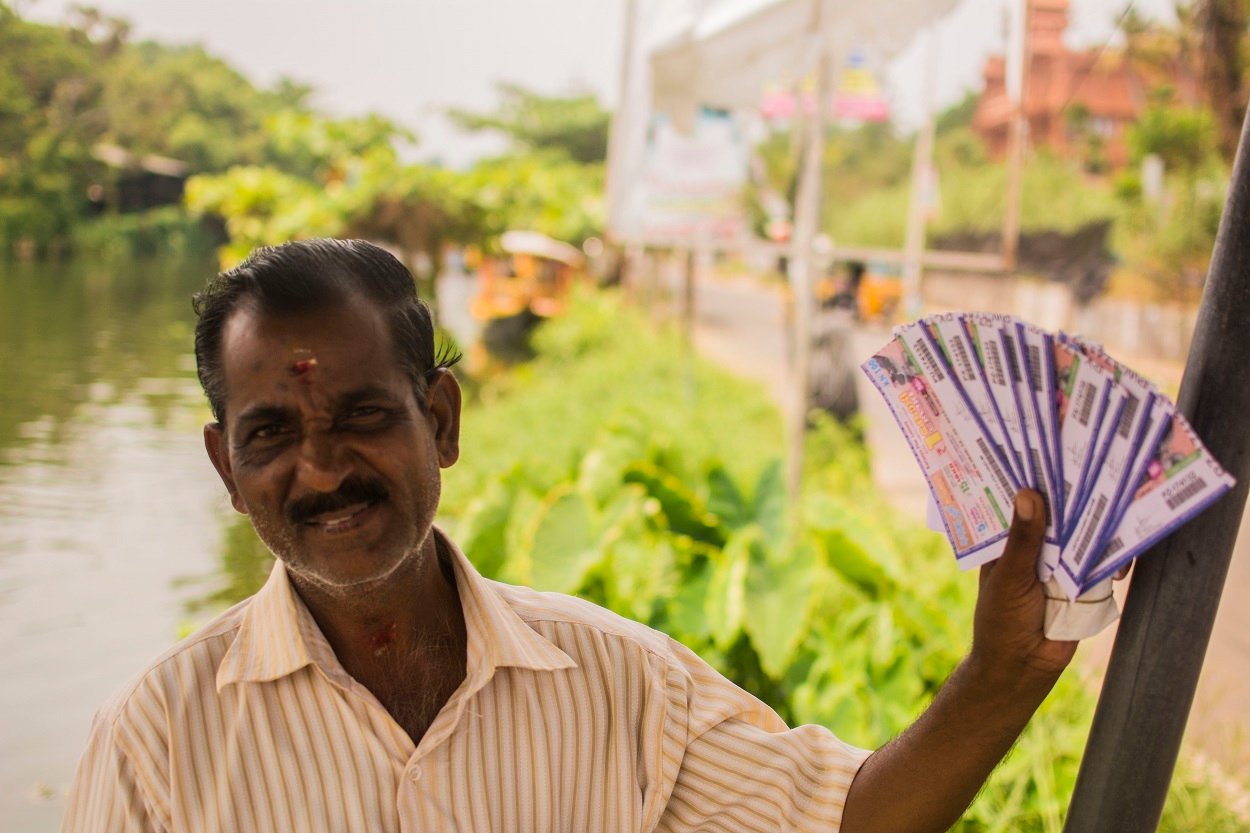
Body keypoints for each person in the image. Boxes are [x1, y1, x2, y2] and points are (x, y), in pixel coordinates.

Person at [63, 239, 1082, 833]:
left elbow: (846, 818)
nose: (322, 469)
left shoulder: (623, 686)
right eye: (272, 433)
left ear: (444, 421)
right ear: (225, 469)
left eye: (364, 415)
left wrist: (1000, 670)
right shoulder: (157, 741)